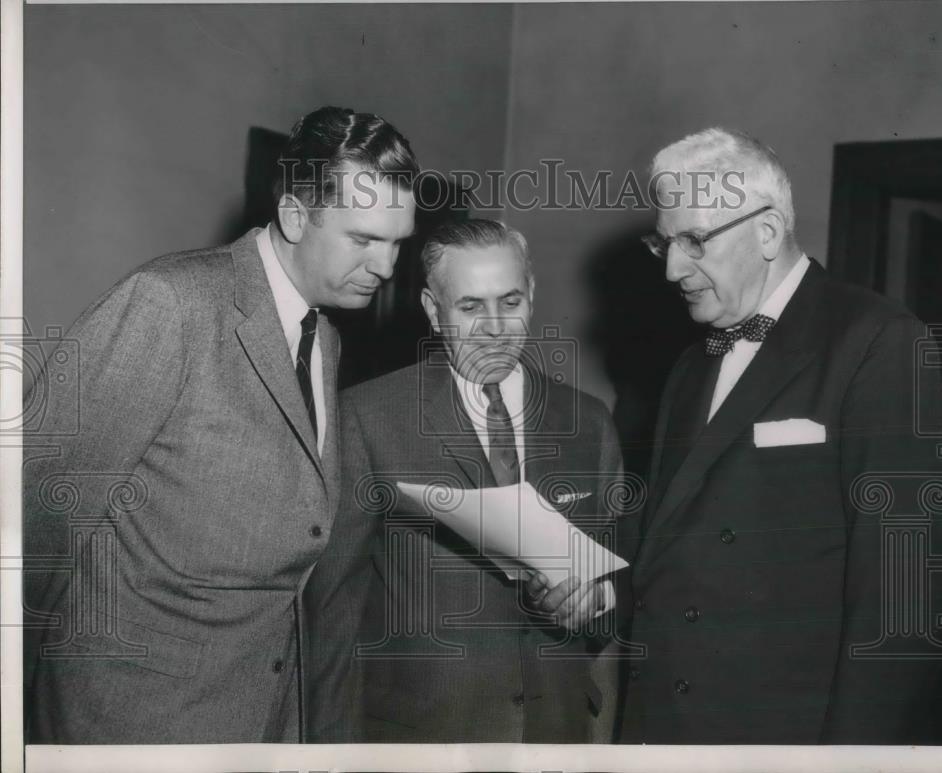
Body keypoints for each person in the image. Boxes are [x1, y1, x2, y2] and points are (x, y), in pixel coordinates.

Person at [22, 105, 418, 744]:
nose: (388, 267)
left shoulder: (326, 339)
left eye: (398, 242)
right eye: (364, 239)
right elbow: (32, 513)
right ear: (294, 215)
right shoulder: (170, 305)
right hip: (133, 727)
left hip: (258, 723)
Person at [617, 128, 942, 745]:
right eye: (664, 243)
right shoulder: (690, 366)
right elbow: (671, 552)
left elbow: (904, 597)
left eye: (693, 240)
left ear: (768, 231)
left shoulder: (877, 341)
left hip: (785, 737)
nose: (672, 268)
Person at [305, 219, 624, 743]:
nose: (495, 328)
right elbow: (332, 608)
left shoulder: (589, 421)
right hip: (422, 737)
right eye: (471, 307)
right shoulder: (368, 416)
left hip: (556, 733)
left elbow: (624, 583)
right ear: (433, 310)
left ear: (532, 295)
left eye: (510, 301)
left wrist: (597, 600)